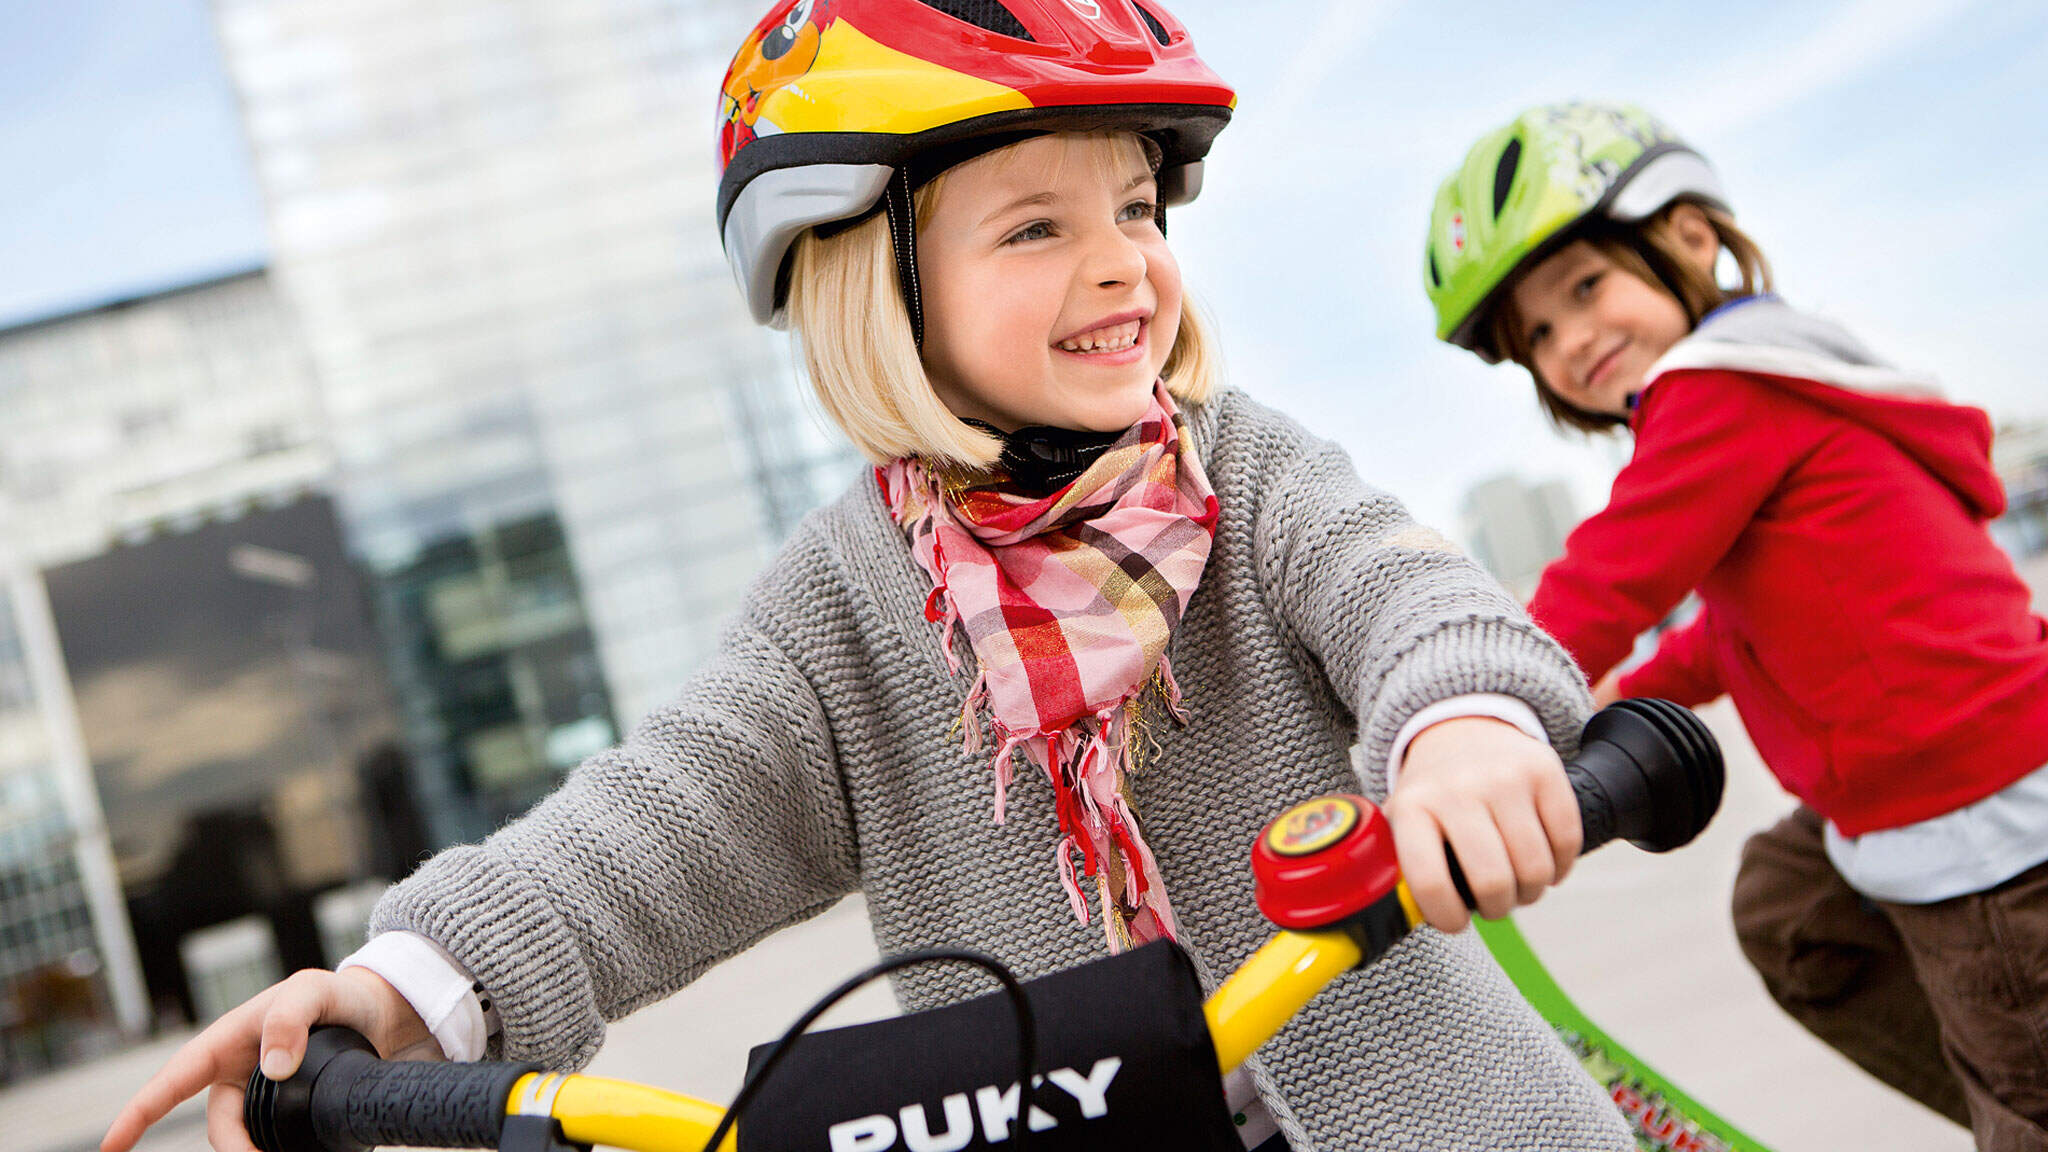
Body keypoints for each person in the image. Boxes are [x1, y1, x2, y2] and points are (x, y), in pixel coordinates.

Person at [103, 8, 1641, 1152]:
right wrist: (413, 990)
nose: (1122, 265)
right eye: (1036, 226)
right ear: (871, 289)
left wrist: (1462, 733)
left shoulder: (1243, 465)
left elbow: (1403, 592)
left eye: (1134, 211)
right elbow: (663, 819)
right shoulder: (841, 609)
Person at [1424, 100, 2048, 1150]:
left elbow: (1603, 582)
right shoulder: (1769, 390)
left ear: (1688, 236)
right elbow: (1729, 634)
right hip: (1917, 796)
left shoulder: (1716, 397)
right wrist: (1617, 698)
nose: (1568, 339)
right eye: (1536, 333)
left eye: (1584, 287)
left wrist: (1456, 711)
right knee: (1785, 908)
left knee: (2021, 1091)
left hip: (1976, 836)